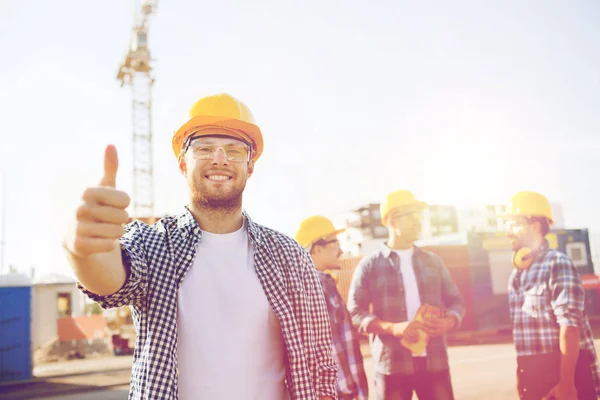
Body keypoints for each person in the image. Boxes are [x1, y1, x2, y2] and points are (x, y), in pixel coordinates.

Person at [62, 93, 338, 400]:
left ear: (250, 166)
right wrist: (83, 250)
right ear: (182, 163)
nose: (219, 159)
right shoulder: (153, 244)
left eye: (234, 150)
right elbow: (111, 280)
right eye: (205, 148)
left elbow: (320, 363)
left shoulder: (290, 256)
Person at [347, 189, 465, 400]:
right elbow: (355, 312)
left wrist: (448, 321)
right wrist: (393, 328)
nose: (418, 221)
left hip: (435, 363)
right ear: (391, 219)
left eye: (419, 215)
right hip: (392, 366)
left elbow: (456, 302)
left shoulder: (433, 261)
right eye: (411, 215)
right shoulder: (370, 265)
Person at [501, 191, 600, 400]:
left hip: (563, 377)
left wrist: (566, 384)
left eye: (513, 224)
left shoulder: (557, 263)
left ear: (534, 225)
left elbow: (570, 327)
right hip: (532, 376)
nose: (507, 232)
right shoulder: (516, 274)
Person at [295, 216, 369, 400]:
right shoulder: (311, 289)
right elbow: (326, 348)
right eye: (335, 243)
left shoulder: (323, 284)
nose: (342, 250)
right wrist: (345, 389)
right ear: (317, 249)